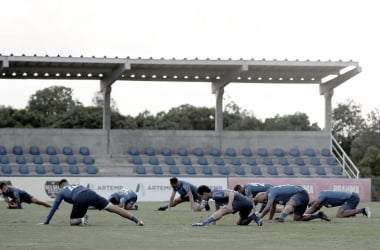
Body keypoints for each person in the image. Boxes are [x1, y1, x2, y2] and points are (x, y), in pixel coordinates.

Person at [43, 179, 144, 226]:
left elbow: (54, 207)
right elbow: (85, 199)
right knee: (115, 208)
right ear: (68, 183)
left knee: (72, 221)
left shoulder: (61, 191)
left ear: (61, 186)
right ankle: (137, 220)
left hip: (79, 198)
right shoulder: (76, 185)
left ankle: (81, 220)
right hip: (90, 193)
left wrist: (46, 222)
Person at [192, 185, 262, 227]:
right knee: (240, 223)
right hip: (247, 203)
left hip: (240, 201)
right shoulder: (215, 196)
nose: (202, 198)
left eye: (201, 196)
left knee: (224, 209)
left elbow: (231, 193)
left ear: (205, 194)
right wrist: (214, 220)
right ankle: (254, 217)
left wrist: (229, 205)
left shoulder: (215, 193)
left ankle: (205, 223)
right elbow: (217, 209)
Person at [254, 185, 330, 222]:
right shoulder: (271, 195)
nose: (265, 202)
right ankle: (319, 215)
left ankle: (281, 218)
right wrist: (270, 219)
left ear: (263, 194)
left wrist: (259, 218)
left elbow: (267, 208)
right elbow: (273, 208)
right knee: (297, 218)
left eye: (264, 200)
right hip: (302, 196)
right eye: (263, 202)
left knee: (289, 203)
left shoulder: (271, 192)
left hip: (300, 193)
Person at [305, 190, 370, 218]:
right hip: (351, 197)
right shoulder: (322, 199)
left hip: (352, 198)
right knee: (344, 214)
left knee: (339, 215)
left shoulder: (322, 196)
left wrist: (304, 215)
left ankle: (363, 210)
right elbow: (314, 207)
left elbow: (314, 206)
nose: (319, 209)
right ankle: (353, 213)